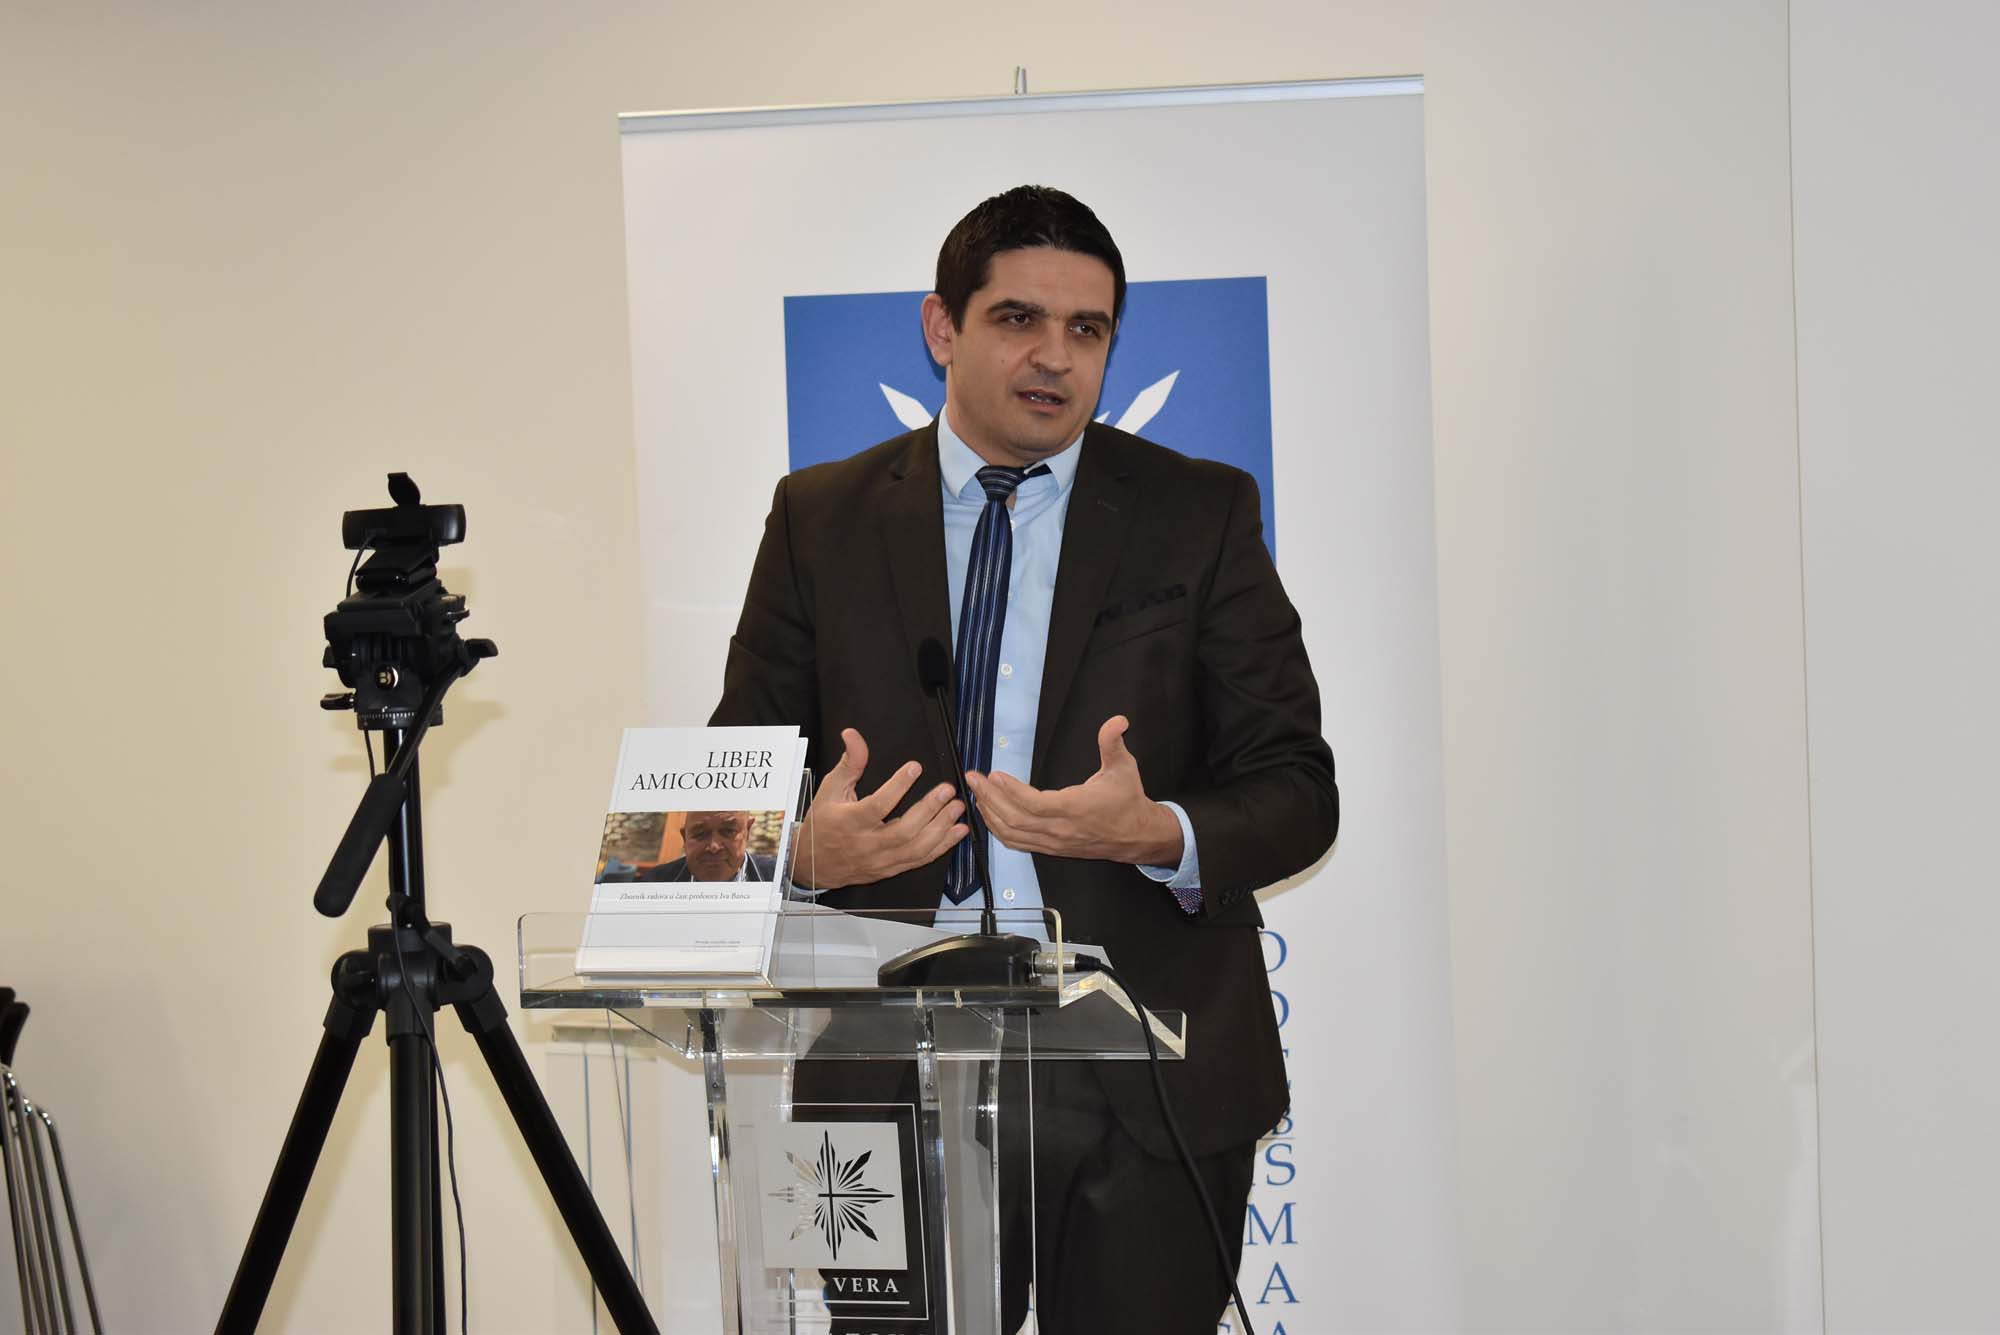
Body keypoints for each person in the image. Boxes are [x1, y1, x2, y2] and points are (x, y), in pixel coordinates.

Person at [711, 185, 1337, 1333]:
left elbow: (1297, 790)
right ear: (941, 328)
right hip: (877, 1071)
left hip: (1147, 1070)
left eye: (1086, 330)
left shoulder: (1197, 512)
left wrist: (1156, 833)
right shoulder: (818, 517)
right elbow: (724, 792)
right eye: (1016, 320)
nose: (1055, 356)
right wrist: (802, 851)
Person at [635, 810, 776, 882]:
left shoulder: (778, 879)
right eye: (701, 833)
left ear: (747, 831)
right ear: (685, 837)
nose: (714, 846)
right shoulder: (656, 882)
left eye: (728, 831)